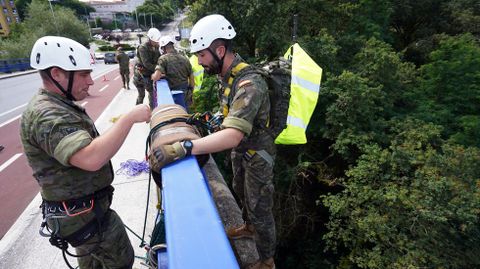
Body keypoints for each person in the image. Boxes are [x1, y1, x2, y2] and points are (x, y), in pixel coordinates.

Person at [151, 15, 276, 269]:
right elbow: (229, 116)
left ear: (219, 50)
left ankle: (266, 261)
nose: (198, 61)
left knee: (261, 208)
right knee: (241, 191)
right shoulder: (228, 77)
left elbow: (233, 134)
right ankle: (247, 227)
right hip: (242, 153)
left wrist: (186, 146)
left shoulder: (250, 83)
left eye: (202, 55)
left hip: (257, 155)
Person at [20, 36, 151, 269]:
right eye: (83, 75)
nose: (90, 81)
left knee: (91, 263)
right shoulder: (47, 114)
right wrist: (129, 118)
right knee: (121, 259)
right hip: (82, 216)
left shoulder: (57, 104)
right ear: (57, 74)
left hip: (82, 211)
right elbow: (91, 158)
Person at [151, 35, 194, 109]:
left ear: (163, 48)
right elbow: (192, 79)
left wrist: (153, 76)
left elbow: (156, 77)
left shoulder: (163, 59)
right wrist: (190, 93)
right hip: (186, 94)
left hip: (173, 96)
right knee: (185, 116)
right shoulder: (184, 58)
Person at [133, 27, 161, 108]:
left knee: (152, 94)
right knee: (142, 95)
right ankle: (137, 112)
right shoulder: (143, 48)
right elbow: (147, 64)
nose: (157, 43)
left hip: (150, 74)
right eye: (155, 41)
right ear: (150, 39)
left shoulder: (156, 47)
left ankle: (152, 111)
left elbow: (159, 59)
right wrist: (159, 69)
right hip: (141, 75)